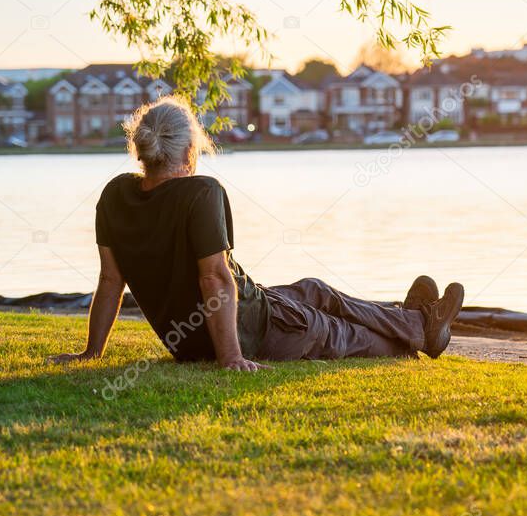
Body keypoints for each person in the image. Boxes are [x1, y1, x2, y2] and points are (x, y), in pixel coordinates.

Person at [49, 97, 465, 371]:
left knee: (315, 289)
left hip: (203, 334)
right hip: (251, 329)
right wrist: (231, 356)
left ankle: (416, 320)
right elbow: (213, 276)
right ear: (190, 151)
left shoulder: (116, 193)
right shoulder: (200, 192)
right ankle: (419, 330)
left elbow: (109, 281)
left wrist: (93, 352)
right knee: (334, 333)